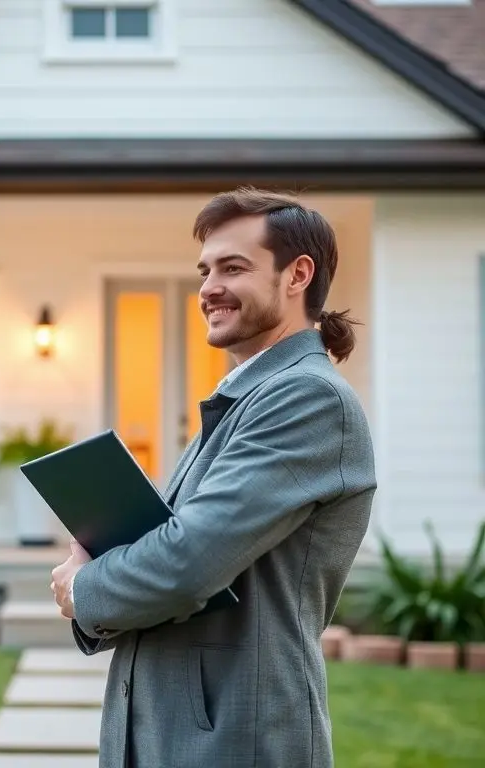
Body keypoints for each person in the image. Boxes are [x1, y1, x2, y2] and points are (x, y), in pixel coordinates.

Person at [51, 187, 377, 768]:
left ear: (297, 275)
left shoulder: (306, 398)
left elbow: (187, 562)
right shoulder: (243, 398)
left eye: (233, 268)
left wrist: (84, 588)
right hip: (171, 729)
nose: (207, 288)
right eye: (205, 270)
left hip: (236, 736)